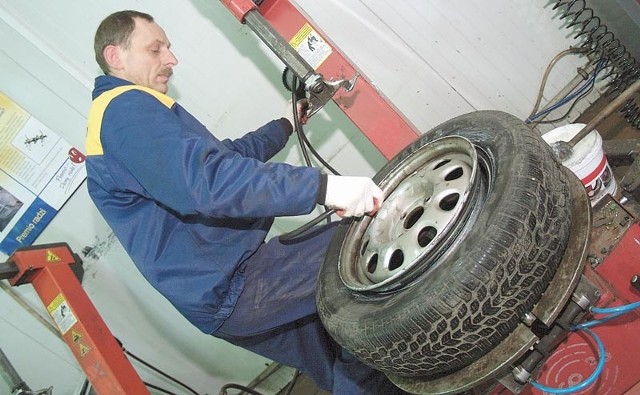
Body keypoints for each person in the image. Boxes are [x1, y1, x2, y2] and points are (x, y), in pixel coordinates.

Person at [86, 10, 403, 394]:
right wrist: (324, 188)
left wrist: (286, 124)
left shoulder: (124, 118)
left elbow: (225, 158)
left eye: (168, 47)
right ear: (115, 57)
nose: (171, 59)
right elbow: (210, 182)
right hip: (237, 284)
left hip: (221, 301)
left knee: (343, 361)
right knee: (368, 245)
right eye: (155, 49)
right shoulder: (123, 111)